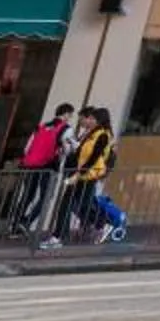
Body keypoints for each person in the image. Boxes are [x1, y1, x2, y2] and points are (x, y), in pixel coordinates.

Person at [44, 106, 126, 248]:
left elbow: (94, 157)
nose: (90, 120)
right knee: (76, 204)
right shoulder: (91, 133)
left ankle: (100, 224)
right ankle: (59, 235)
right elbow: (82, 153)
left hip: (87, 175)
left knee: (81, 204)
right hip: (81, 174)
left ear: (99, 120)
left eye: (93, 118)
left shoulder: (103, 135)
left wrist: (79, 173)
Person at [14, 104, 72, 238]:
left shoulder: (41, 126)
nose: (70, 118)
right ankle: (26, 221)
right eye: (70, 115)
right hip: (49, 167)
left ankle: (15, 226)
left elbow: (27, 148)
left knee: (27, 195)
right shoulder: (66, 129)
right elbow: (67, 150)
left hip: (31, 166)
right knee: (46, 197)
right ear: (66, 114)